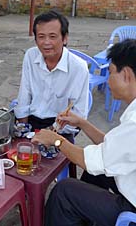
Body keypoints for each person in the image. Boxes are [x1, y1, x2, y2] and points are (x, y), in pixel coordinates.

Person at [32, 39, 136, 225]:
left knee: (64, 192)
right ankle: (82, 217)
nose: (108, 80)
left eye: (111, 72)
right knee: (96, 172)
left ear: (126, 75)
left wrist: (57, 140)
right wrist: (82, 123)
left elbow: (92, 159)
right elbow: (114, 148)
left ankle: (73, 213)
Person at [14, 10, 89, 142]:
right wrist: (23, 128)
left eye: (53, 36)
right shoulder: (30, 56)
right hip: (32, 119)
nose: (46, 42)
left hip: (61, 128)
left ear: (65, 38)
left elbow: (78, 115)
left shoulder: (79, 68)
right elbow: (24, 94)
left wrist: (51, 134)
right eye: (41, 36)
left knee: (52, 161)